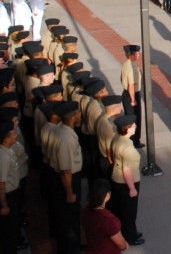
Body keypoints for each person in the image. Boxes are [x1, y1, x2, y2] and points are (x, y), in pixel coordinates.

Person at [50, 101, 84, 254]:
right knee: (70, 220)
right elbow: (66, 170)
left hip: (66, 178)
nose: (79, 115)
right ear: (72, 117)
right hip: (67, 181)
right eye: (77, 113)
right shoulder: (66, 139)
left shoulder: (60, 130)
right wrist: (69, 193)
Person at [110, 115, 144, 247]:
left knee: (121, 208)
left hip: (116, 178)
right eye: (133, 126)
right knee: (129, 211)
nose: (135, 127)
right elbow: (127, 170)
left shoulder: (117, 139)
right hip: (127, 182)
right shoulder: (128, 148)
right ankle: (131, 236)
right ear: (127, 129)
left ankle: (126, 232)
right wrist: (132, 188)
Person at [82, 179, 128, 253]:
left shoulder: (86, 210)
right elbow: (120, 243)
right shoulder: (107, 219)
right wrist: (125, 244)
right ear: (107, 195)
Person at [0, 120, 22, 253]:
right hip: (8, 195)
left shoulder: (7, 151)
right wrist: (4, 204)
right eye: (13, 133)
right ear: (6, 138)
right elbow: (1, 183)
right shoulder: (3, 157)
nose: (16, 135)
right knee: (9, 230)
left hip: (12, 193)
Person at [119, 45, 144, 148]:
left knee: (129, 116)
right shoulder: (131, 67)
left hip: (126, 93)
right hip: (132, 94)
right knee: (135, 118)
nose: (139, 55)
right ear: (133, 55)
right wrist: (133, 99)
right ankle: (135, 140)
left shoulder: (125, 64)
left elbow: (122, 78)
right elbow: (131, 85)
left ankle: (131, 139)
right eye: (137, 53)